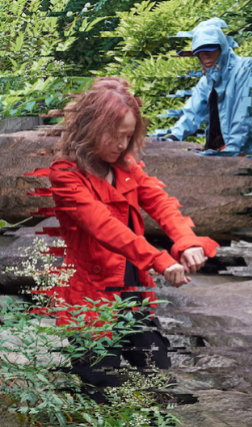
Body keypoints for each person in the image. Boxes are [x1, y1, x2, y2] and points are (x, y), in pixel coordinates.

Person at [48, 80, 219, 402]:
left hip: (134, 292)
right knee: (101, 389)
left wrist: (187, 241)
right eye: (115, 135)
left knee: (158, 375)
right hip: (90, 300)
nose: (122, 144)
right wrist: (159, 259)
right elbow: (105, 227)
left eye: (129, 136)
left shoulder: (126, 167)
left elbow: (162, 204)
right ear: (90, 128)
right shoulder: (65, 174)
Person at [157, 18, 252, 156]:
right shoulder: (206, 81)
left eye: (211, 49)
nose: (205, 55)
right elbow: (193, 113)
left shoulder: (245, 68)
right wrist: (173, 138)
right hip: (219, 151)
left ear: (222, 49)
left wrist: (230, 152)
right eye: (200, 51)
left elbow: (244, 115)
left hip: (250, 152)